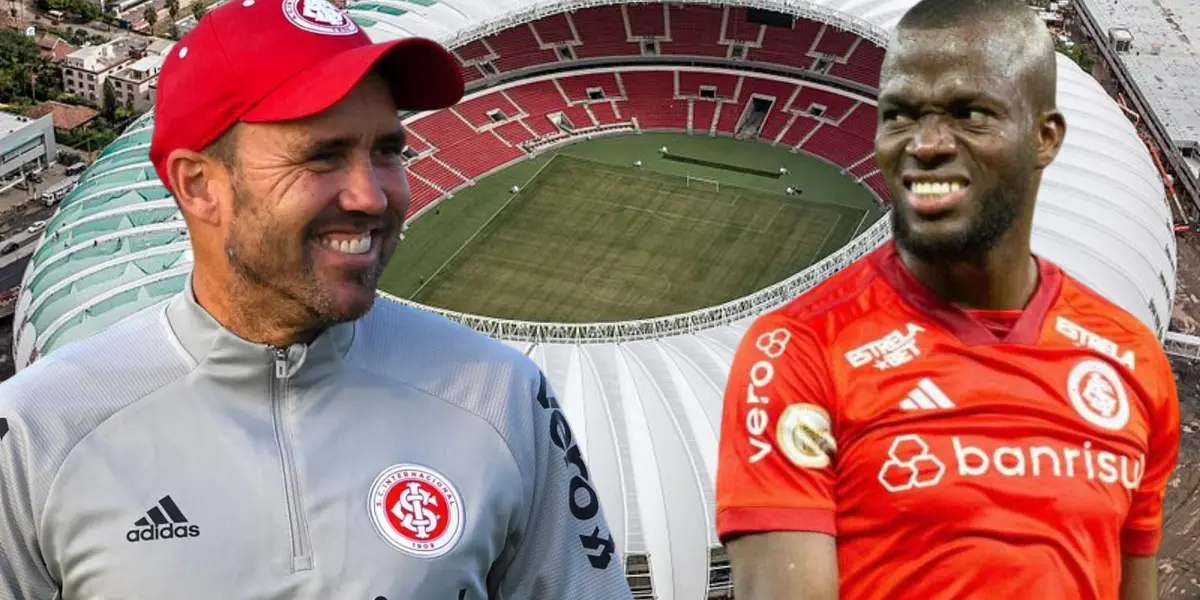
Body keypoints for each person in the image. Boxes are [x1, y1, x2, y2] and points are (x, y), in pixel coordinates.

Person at [0, 1, 631, 598]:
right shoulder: (38, 433)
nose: (372, 196)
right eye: (321, 156)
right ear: (198, 186)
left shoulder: (500, 393)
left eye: (388, 151)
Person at [714, 0, 1180, 598]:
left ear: (1045, 136)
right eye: (900, 115)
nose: (926, 144)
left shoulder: (1129, 357)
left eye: (969, 113)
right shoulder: (798, 353)